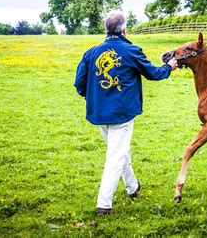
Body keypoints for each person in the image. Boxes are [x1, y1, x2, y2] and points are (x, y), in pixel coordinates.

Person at [74, 11, 177, 215]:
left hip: (100, 114)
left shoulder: (91, 53)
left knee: (120, 151)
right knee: (115, 156)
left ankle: (132, 187)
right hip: (122, 114)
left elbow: (80, 84)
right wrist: (169, 67)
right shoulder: (131, 50)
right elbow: (153, 73)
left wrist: (95, 97)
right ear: (124, 30)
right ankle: (104, 204)